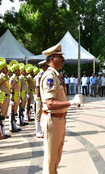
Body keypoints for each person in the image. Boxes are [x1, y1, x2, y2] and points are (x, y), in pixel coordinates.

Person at [40, 44, 80, 174]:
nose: (63, 58)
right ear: (52, 59)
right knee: (50, 159)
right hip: (53, 120)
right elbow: (50, 103)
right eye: (59, 56)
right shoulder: (50, 77)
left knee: (56, 157)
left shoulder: (56, 75)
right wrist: (71, 102)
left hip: (59, 120)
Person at [0, 57, 11, 139]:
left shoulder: (6, 77)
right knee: (0, 115)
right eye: (5, 68)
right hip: (2, 97)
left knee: (3, 115)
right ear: (2, 69)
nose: (7, 69)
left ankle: (3, 131)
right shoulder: (0, 77)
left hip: (7, 97)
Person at [35, 60, 48, 138]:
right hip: (40, 97)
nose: (47, 67)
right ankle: (38, 131)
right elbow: (37, 87)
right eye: (46, 66)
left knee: (43, 113)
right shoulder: (40, 75)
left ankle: (42, 130)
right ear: (43, 67)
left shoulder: (44, 73)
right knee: (38, 114)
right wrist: (38, 98)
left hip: (43, 97)